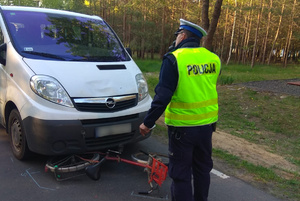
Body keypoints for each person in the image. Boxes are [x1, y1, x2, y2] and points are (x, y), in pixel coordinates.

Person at [139, 18, 221, 201]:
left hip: (182, 129)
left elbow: (162, 97)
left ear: (182, 36)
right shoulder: (213, 58)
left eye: (177, 35)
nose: (175, 39)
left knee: (181, 174)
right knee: (202, 170)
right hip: (207, 127)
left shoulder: (174, 59)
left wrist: (147, 123)